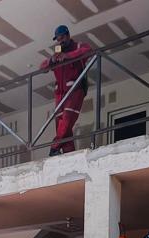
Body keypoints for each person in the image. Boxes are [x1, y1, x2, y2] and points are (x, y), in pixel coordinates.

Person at [40, 25, 93, 156]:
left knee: (68, 119)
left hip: (75, 89)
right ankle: (69, 154)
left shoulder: (78, 46)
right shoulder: (57, 53)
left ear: (68, 35)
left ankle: (54, 147)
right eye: (58, 39)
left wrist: (68, 56)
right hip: (60, 93)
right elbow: (42, 67)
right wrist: (51, 60)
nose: (60, 41)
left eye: (62, 38)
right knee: (61, 124)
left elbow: (88, 50)